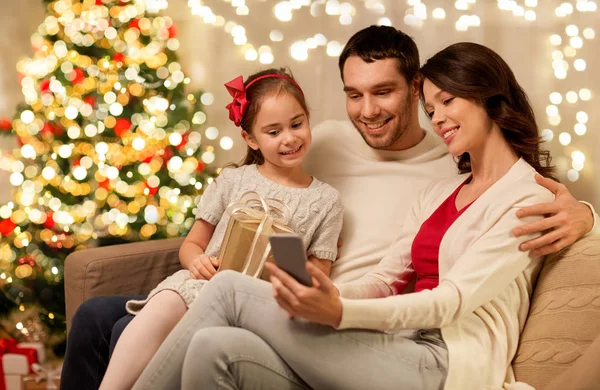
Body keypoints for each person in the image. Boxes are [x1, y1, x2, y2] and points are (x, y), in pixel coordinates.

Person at [59, 25, 597, 390]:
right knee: (206, 345)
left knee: (225, 294)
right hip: (360, 323)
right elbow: (389, 275)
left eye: (444, 103)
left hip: (443, 359)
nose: (367, 110)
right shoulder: (401, 174)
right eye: (353, 94)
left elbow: (452, 299)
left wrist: (588, 214)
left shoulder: (503, 187)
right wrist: (322, 295)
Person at [97, 68, 344, 390]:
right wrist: (195, 261)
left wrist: (290, 261)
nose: (289, 138)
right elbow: (192, 245)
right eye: (273, 131)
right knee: (165, 302)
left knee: (203, 339)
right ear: (251, 138)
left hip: (259, 301)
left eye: (297, 124)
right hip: (200, 284)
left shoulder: (326, 201)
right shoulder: (234, 180)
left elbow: (318, 274)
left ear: (308, 118)